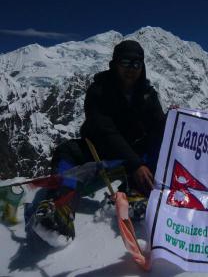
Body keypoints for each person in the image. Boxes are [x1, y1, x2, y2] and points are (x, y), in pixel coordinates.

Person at [28, 40, 166, 246]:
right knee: (66, 152)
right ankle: (61, 203)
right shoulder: (98, 91)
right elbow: (105, 131)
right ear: (115, 63)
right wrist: (135, 164)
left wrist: (173, 121)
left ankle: (136, 194)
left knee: (159, 146)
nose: (131, 69)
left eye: (136, 63)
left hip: (136, 154)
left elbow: (158, 127)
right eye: (126, 62)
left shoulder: (148, 94)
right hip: (101, 149)